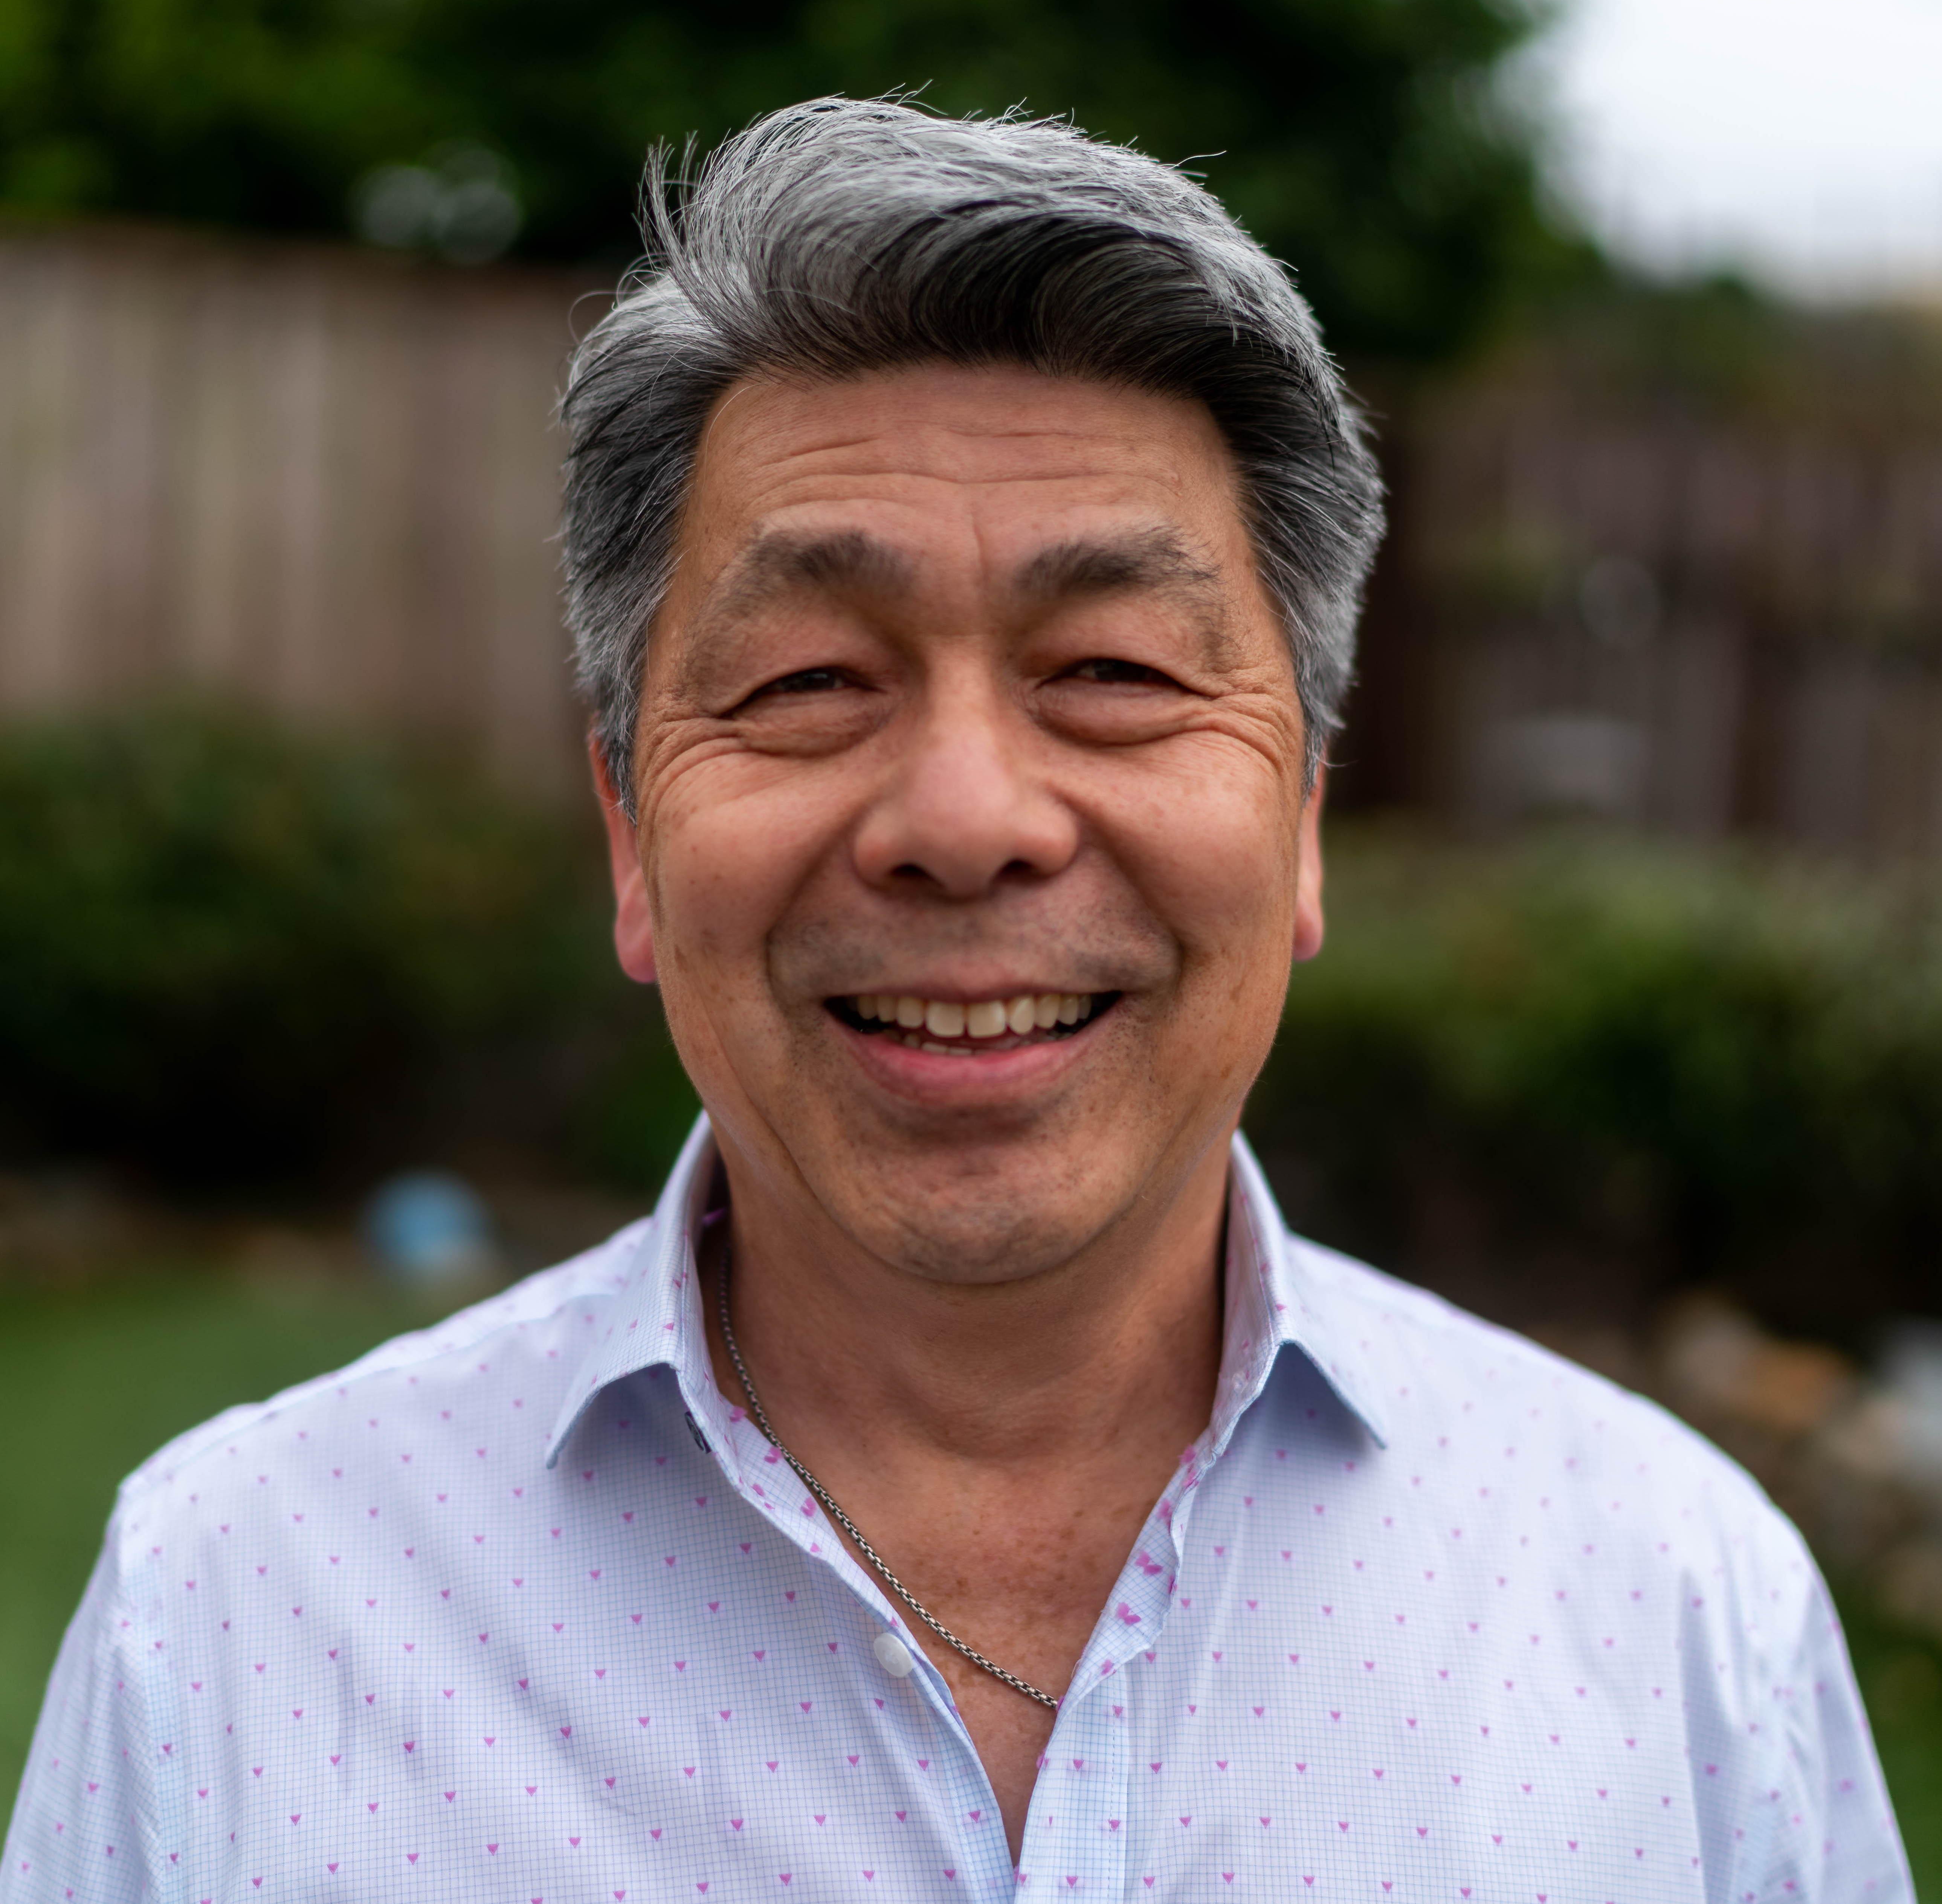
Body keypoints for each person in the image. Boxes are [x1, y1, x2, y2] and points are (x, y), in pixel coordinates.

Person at [3, 98, 1907, 1903]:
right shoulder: (236, 1614)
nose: (966, 819)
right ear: (632, 836)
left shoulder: (1675, 1609)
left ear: (1303, 817)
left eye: (1114, 669)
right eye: (809, 680)